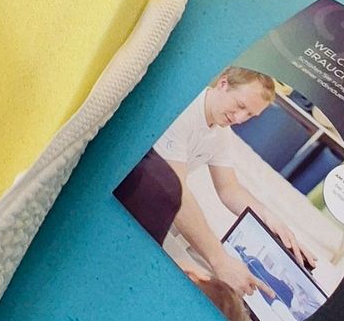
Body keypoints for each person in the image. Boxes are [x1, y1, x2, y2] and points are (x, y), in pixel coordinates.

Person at [114, 66, 317, 307]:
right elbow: (175, 192)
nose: (240, 119)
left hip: (157, 211)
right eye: (241, 106)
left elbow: (229, 189)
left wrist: (270, 219)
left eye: (250, 115)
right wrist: (219, 260)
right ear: (223, 83)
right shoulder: (185, 108)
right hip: (128, 207)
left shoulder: (221, 132)